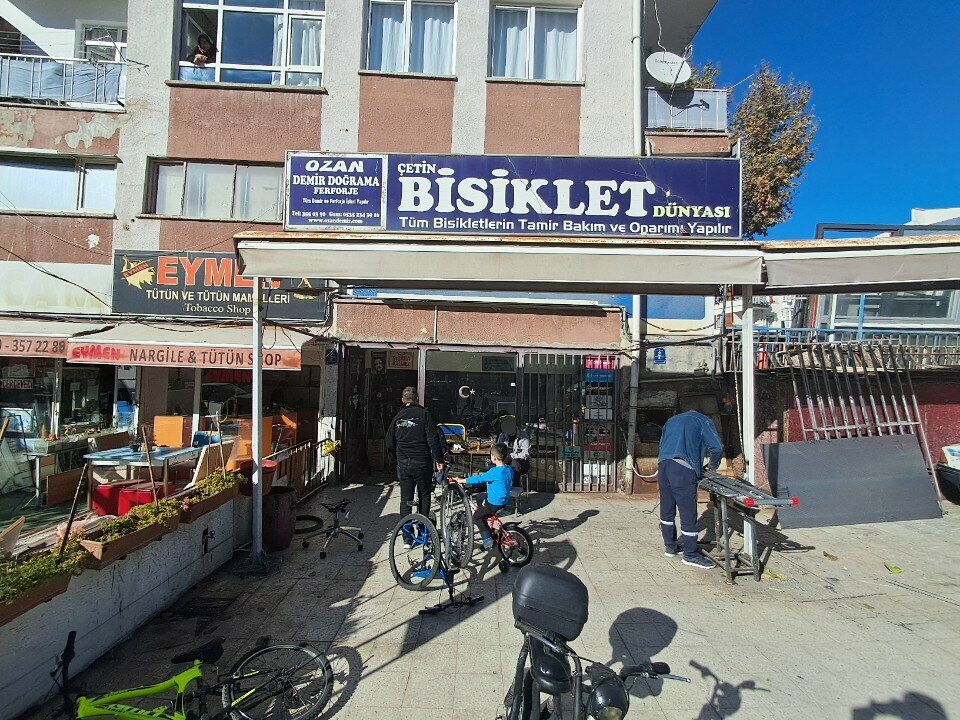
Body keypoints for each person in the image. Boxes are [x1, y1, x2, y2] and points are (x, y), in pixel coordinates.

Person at [657, 410, 723, 569]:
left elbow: (661, 443)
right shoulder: (704, 421)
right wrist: (713, 466)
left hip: (663, 465)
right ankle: (690, 554)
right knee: (688, 512)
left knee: (667, 508)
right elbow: (717, 447)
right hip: (683, 468)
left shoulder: (671, 420)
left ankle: (670, 546)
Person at [385, 387, 444, 521]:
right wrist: (439, 460)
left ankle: (407, 537)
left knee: (405, 500)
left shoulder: (397, 417)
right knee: (424, 495)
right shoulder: (424, 414)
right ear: (417, 398)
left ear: (402, 400)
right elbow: (433, 440)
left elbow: (389, 442)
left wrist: (397, 459)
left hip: (404, 464)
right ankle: (424, 528)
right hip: (422, 463)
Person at [459, 442, 513, 549]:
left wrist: (462, 480)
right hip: (504, 501)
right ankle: (487, 520)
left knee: (476, 517)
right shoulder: (508, 469)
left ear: (494, 457)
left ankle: (487, 539)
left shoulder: (494, 471)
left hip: (493, 504)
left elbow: (479, 479)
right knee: (479, 497)